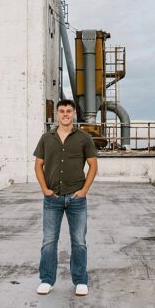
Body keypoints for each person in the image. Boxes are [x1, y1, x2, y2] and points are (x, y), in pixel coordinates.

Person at [34, 99, 98, 296]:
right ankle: (46, 280)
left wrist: (84, 191)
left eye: (69, 111)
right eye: (61, 111)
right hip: (52, 198)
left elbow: (93, 165)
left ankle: (80, 281)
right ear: (57, 114)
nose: (65, 114)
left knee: (79, 241)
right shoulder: (46, 138)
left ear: (74, 114)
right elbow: (38, 165)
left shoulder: (84, 138)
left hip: (76, 199)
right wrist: (44, 189)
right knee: (49, 241)